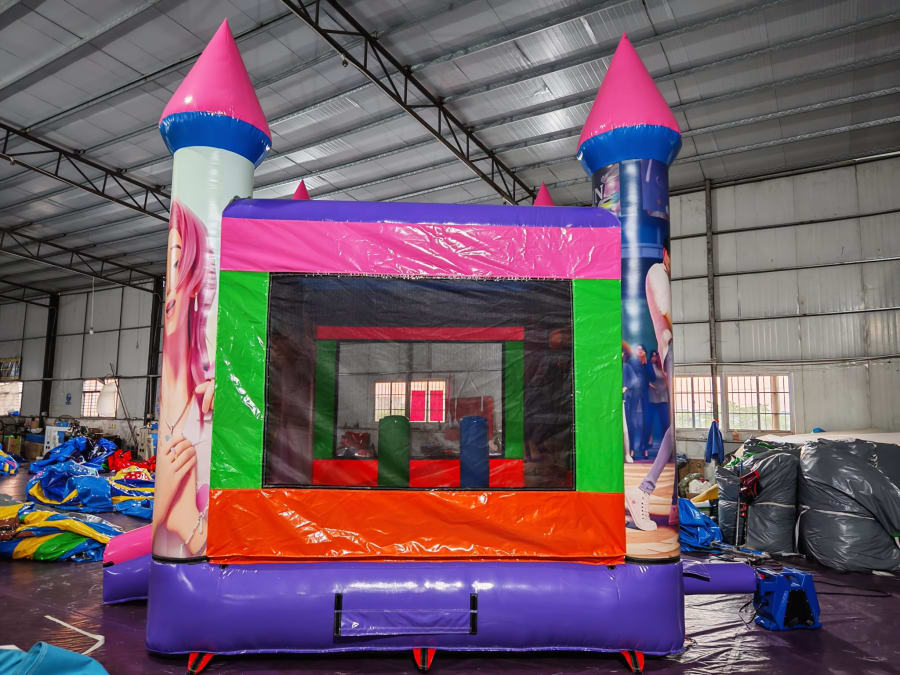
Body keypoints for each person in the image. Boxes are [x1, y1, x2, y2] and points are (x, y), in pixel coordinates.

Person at [152, 201, 216, 557]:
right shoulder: (170, 397)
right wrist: (169, 500)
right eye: (169, 269)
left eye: (179, 264)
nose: (171, 285)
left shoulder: (209, 391)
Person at [625, 236, 675, 532]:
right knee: (672, 428)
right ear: (665, 252)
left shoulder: (662, 274)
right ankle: (643, 489)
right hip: (671, 351)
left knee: (675, 428)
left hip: (671, 354)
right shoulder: (657, 272)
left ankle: (670, 503)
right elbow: (667, 311)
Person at [622, 341, 654, 458]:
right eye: (637, 349)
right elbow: (629, 378)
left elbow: (653, 377)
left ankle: (644, 448)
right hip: (633, 396)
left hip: (645, 396)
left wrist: (646, 363)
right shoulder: (631, 362)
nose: (639, 351)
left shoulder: (647, 363)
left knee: (646, 423)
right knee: (631, 422)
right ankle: (631, 449)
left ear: (644, 352)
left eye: (641, 350)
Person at [647, 350, 669, 450]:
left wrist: (664, 374)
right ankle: (649, 441)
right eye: (653, 356)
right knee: (649, 422)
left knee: (664, 422)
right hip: (653, 398)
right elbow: (647, 380)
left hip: (663, 398)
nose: (654, 358)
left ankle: (666, 443)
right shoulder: (650, 366)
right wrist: (653, 387)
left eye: (656, 356)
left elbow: (667, 381)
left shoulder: (663, 366)